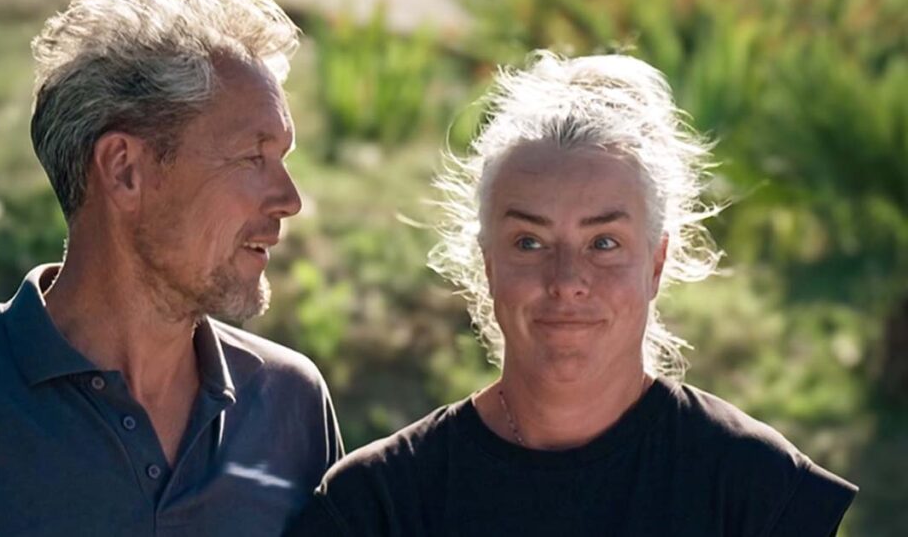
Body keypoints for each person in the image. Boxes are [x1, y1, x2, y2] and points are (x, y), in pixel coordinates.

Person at [286, 52, 857, 536]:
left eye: (603, 242)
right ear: (488, 263)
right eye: (529, 242)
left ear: (656, 263)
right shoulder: (380, 503)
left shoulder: (755, 490)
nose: (566, 280)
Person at [0, 0, 342, 537]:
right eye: (253, 158)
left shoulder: (290, 404)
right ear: (124, 170)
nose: (290, 199)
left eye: (284, 158)